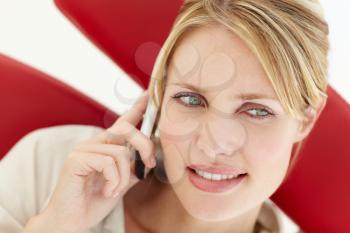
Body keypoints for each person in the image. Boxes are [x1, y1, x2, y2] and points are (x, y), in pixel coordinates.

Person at [0, 0, 329, 232]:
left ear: (306, 119)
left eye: (257, 111)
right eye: (189, 99)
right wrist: (56, 227)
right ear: (156, 98)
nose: (213, 146)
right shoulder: (50, 168)